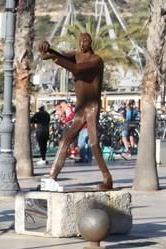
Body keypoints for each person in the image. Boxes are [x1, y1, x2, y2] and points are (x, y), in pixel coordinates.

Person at [39, 33, 113, 190]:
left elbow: (77, 69)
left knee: (93, 143)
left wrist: (56, 59)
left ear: (91, 42)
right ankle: (52, 176)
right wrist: (46, 49)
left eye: (85, 40)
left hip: (92, 106)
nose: (82, 43)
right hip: (80, 108)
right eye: (80, 40)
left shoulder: (96, 61)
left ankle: (107, 179)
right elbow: (55, 55)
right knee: (65, 140)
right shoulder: (76, 55)